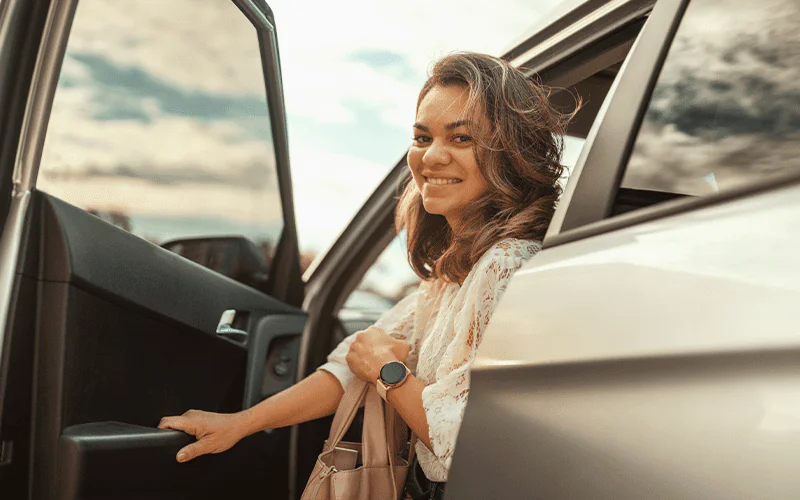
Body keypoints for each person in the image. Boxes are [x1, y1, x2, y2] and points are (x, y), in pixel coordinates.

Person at [158, 51, 574, 499]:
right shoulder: (451, 275)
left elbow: (461, 438)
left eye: (461, 139)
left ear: (509, 154)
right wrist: (241, 424)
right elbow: (349, 365)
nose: (431, 157)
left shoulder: (508, 264)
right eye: (421, 136)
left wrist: (388, 372)